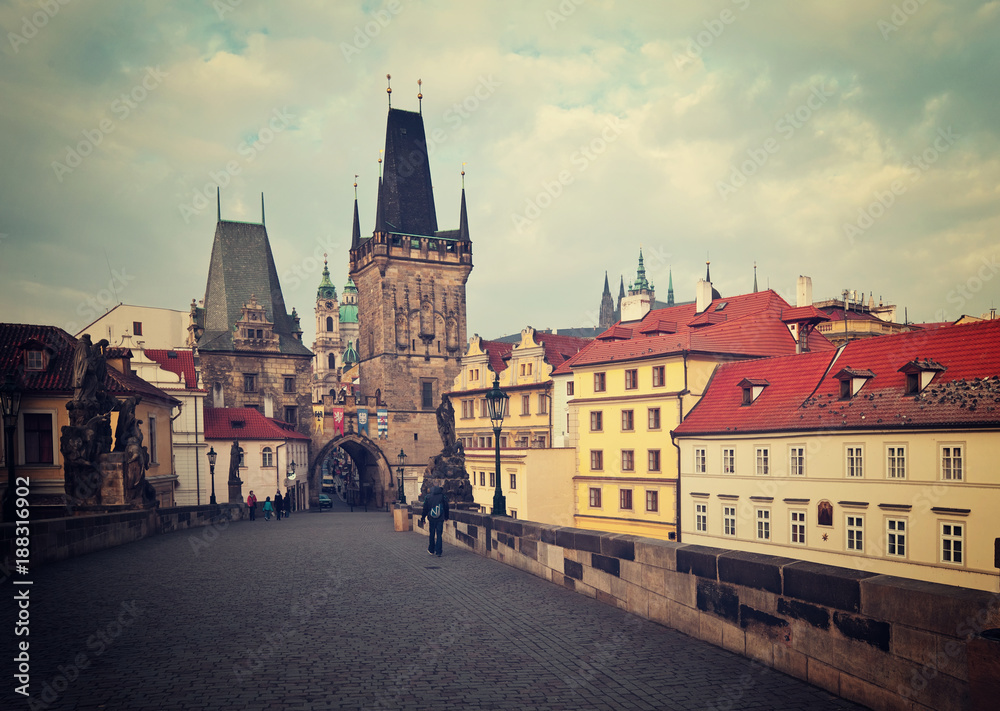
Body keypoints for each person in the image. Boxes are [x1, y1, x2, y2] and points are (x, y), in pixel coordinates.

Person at [419, 485, 449, 557]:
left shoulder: (428, 497)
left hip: (431, 517)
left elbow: (425, 509)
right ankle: (439, 551)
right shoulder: (442, 496)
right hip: (440, 518)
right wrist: (446, 516)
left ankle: (431, 549)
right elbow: (446, 507)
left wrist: (423, 518)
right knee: (439, 534)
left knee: (432, 534)